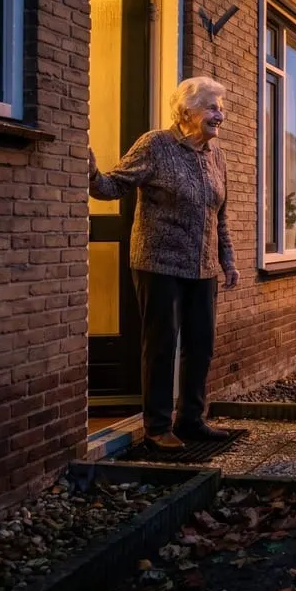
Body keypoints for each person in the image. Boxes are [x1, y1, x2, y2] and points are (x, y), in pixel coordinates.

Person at [88, 76, 240, 451]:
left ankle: (191, 420)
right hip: (158, 263)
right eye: (211, 108)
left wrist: (228, 261)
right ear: (186, 111)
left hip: (202, 268)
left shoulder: (215, 156)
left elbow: (219, 216)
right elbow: (113, 187)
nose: (218, 116)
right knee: (160, 345)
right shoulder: (155, 145)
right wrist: (89, 171)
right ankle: (157, 426)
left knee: (200, 345)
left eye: (220, 109)